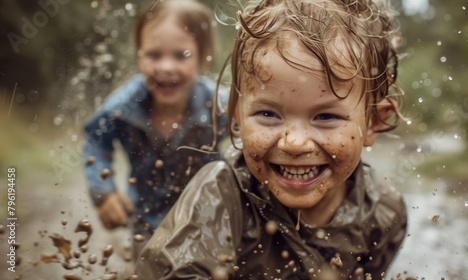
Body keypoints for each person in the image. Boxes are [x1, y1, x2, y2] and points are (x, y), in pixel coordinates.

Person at [134, 0, 407, 279]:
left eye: (325, 117)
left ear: (374, 121)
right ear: (236, 115)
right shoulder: (220, 196)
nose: (294, 142)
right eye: (268, 114)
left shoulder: (383, 214)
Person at [82, 0, 227, 258]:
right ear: (139, 55)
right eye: (154, 55)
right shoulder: (124, 105)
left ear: (204, 56)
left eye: (181, 55)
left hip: (209, 223)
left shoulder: (218, 104)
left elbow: (252, 133)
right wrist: (104, 193)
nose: (166, 67)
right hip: (146, 228)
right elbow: (96, 140)